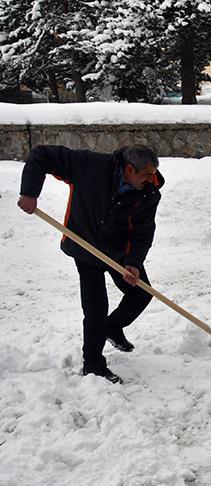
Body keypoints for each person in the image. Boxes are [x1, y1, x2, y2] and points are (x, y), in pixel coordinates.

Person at [18, 144, 164, 384]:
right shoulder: (89, 165)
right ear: (129, 169)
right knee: (95, 308)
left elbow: (142, 233)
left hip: (118, 251)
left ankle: (112, 327)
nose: (151, 179)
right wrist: (30, 192)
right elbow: (41, 155)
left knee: (141, 293)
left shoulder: (149, 192)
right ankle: (94, 365)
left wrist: (134, 263)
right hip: (85, 246)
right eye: (147, 174)